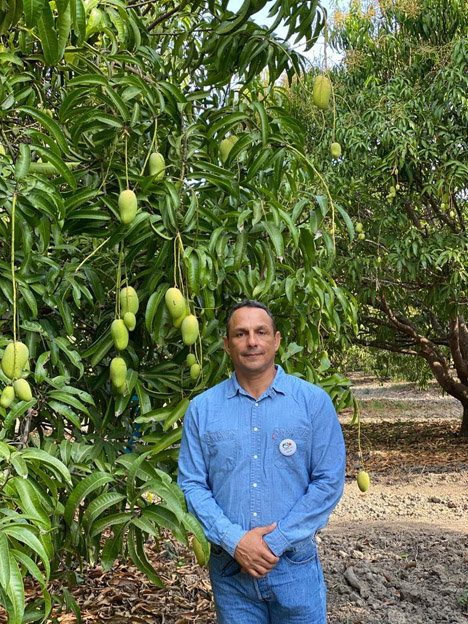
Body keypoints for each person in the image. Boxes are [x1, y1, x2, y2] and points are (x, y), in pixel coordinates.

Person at [177, 300, 346, 623]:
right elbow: (192, 484)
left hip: (294, 567)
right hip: (231, 569)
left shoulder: (313, 403)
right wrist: (235, 541)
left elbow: (328, 482)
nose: (251, 341)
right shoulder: (202, 409)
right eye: (240, 334)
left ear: (277, 340)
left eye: (260, 332)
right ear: (227, 345)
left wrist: (275, 542)